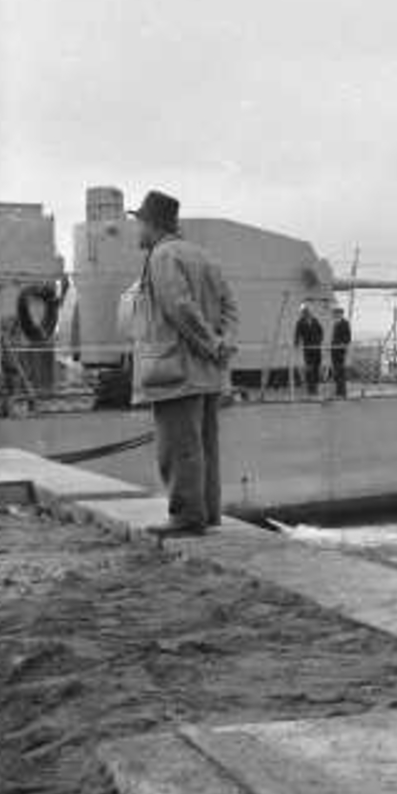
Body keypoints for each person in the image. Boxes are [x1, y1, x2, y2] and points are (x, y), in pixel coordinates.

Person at [128, 190, 237, 537]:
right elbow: (230, 306)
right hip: (207, 373)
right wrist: (222, 345)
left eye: (140, 223)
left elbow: (180, 308)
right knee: (204, 445)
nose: (137, 231)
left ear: (152, 224)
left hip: (176, 370)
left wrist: (209, 344)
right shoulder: (202, 256)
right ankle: (207, 513)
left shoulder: (162, 256)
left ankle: (186, 517)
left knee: (178, 448)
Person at [293, 302, 323, 395]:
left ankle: (316, 388)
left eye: (307, 311)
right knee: (309, 369)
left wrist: (319, 341)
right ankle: (311, 389)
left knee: (316, 368)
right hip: (308, 348)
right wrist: (296, 344)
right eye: (304, 312)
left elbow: (321, 331)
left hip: (317, 348)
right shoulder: (300, 322)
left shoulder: (315, 320)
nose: (306, 313)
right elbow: (297, 334)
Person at [329, 306, 351, 398]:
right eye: (334, 313)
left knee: (340, 370)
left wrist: (343, 344)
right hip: (334, 349)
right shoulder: (335, 323)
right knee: (336, 371)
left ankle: (342, 391)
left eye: (336, 313)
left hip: (340, 350)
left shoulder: (344, 323)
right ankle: (338, 391)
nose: (334, 315)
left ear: (340, 314)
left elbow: (348, 337)